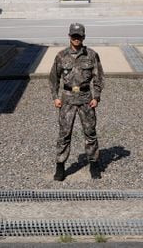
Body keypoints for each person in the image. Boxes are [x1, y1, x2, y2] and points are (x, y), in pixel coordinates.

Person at [49, 22, 105, 181]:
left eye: (79, 36)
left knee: (90, 132)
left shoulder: (92, 55)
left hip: (86, 99)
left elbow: (99, 77)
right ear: (69, 37)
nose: (76, 39)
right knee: (64, 133)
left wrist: (96, 96)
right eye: (74, 36)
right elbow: (54, 78)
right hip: (67, 99)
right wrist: (55, 97)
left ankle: (94, 164)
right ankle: (60, 166)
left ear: (83, 37)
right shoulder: (61, 56)